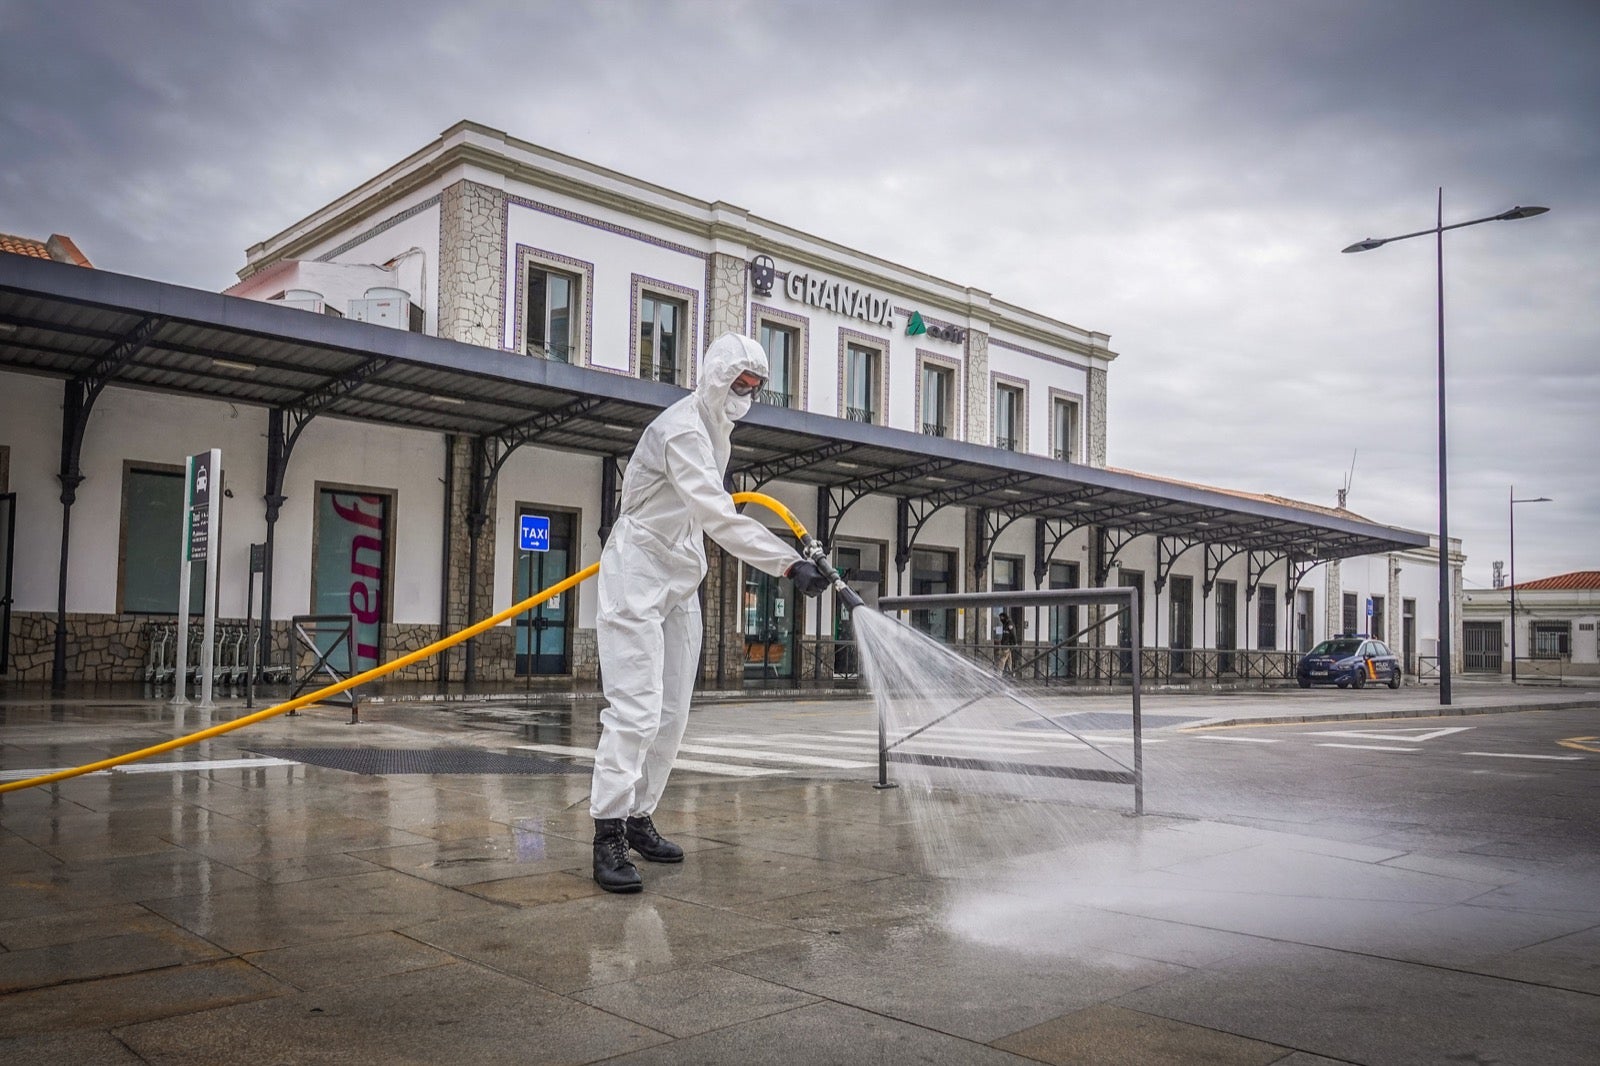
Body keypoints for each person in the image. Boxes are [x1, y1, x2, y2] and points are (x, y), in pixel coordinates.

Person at [590, 333, 831, 893]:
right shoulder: (682, 429)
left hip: (681, 571)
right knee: (636, 708)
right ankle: (606, 834)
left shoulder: (716, 429)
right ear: (715, 378)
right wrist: (788, 565)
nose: (744, 395)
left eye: (754, 388)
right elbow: (719, 516)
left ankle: (637, 815)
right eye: (737, 384)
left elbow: (706, 521)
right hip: (639, 570)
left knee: (673, 709)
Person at [994, 611, 1018, 676]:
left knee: (1002, 659)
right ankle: (1011, 673)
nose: (1000, 620)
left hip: (1007, 645)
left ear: (1004, 617)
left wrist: (1015, 643)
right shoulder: (1005, 624)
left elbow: (1013, 634)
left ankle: (999, 673)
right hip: (1005, 644)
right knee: (1009, 659)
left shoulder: (1010, 624)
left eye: (1001, 618)